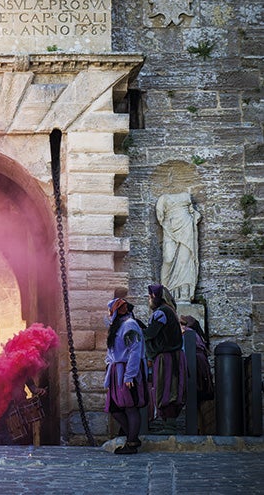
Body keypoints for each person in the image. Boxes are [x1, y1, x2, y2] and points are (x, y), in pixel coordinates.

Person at [104, 298, 148, 454]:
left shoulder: (130, 325)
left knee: (130, 406)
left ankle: (131, 442)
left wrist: (130, 376)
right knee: (115, 408)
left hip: (127, 370)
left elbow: (135, 351)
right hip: (116, 371)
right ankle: (132, 436)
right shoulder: (119, 326)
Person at [144, 283, 187, 434]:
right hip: (170, 356)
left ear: (156, 297)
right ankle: (168, 425)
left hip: (167, 357)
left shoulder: (162, 312)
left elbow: (150, 334)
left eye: (150, 297)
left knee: (167, 388)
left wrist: (137, 330)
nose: (149, 300)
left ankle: (169, 426)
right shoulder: (169, 311)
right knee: (170, 387)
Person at [156, 193, 201, 302]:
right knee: (168, 259)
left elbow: (194, 213)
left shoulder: (186, 195)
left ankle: (184, 293)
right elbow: (160, 216)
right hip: (169, 228)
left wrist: (194, 216)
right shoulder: (163, 198)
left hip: (186, 227)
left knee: (185, 260)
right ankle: (165, 292)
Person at [180, 314, 215, 432]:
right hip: (200, 366)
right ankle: (201, 428)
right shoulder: (197, 335)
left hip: (196, 366)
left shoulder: (188, 333)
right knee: (198, 400)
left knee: (195, 396)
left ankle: (199, 428)